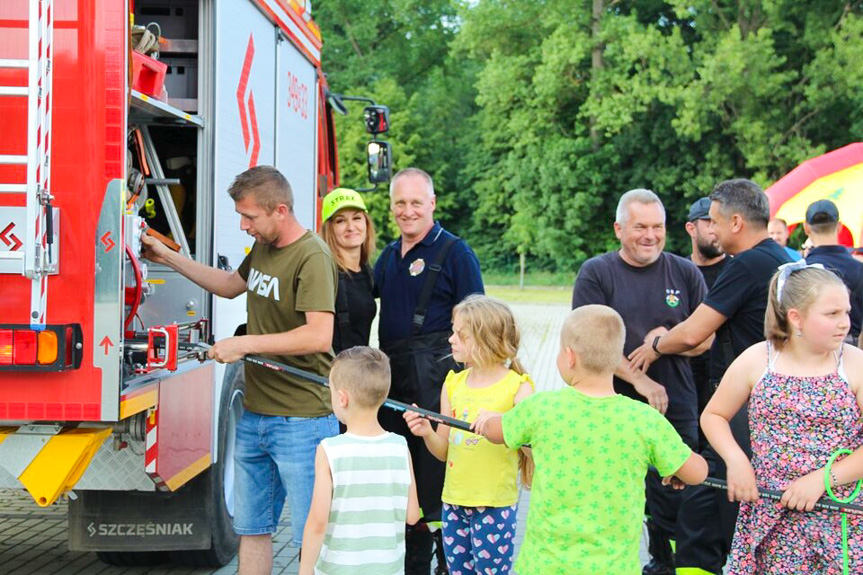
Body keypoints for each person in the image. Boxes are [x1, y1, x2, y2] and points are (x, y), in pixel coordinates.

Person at [141, 166, 339, 575]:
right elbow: (231, 284)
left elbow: (319, 336)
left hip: (303, 420)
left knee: (309, 535)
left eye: (249, 217)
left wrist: (244, 343)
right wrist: (168, 257)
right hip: (255, 415)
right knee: (252, 530)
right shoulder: (264, 248)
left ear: (280, 210)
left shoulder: (312, 256)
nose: (244, 225)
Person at [628, 179, 793, 575]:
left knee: (701, 516)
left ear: (736, 222)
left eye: (715, 221)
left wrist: (653, 347)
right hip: (771, 400)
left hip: (743, 406)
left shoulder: (748, 264)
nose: (711, 231)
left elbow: (693, 332)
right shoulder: (782, 259)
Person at [472, 305, 708, 575]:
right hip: (614, 568)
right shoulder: (644, 419)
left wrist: (489, 418)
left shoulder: (541, 408)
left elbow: (495, 432)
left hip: (545, 566)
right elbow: (697, 473)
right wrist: (676, 467)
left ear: (569, 357)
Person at [571, 188, 709, 575]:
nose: (650, 235)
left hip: (676, 410)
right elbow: (588, 341)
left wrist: (662, 344)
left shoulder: (685, 271)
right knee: (611, 500)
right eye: (640, 227)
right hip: (609, 410)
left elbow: (707, 337)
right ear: (618, 229)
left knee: (674, 500)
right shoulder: (597, 273)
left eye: (657, 227)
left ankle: (666, 566)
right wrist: (641, 382)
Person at [701, 263, 863, 572]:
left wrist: (822, 480)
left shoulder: (855, 365)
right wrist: (736, 461)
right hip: (770, 515)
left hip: (841, 520)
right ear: (796, 317)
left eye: (846, 312)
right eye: (832, 314)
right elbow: (714, 415)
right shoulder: (757, 359)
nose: (845, 323)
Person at [374, 167, 484, 573]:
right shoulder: (387, 256)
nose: (407, 211)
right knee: (402, 473)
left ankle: (448, 559)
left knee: (435, 471)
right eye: (400, 203)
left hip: (437, 376)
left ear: (432, 204)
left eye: (416, 202)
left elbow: (479, 319)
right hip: (393, 378)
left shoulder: (455, 253)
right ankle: (412, 558)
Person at [403, 295, 534, 575]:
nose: (451, 339)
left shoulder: (518, 388)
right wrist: (426, 432)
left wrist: (504, 424)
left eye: (460, 334)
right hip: (453, 502)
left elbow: (530, 447)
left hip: (494, 504)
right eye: (453, 331)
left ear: (486, 340)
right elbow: (444, 450)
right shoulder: (453, 384)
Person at [300, 347, 420, 575]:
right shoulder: (400, 446)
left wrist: (305, 570)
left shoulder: (330, 450)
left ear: (342, 398)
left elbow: (317, 521)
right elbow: (412, 515)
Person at [685, 197, 728, 448]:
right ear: (691, 228)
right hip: (683, 379)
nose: (715, 230)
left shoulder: (736, 271)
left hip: (722, 382)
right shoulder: (676, 271)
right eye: (708, 222)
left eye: (718, 222)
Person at [319, 187, 377, 353]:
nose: (351, 227)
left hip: (359, 372)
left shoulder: (367, 272)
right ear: (329, 229)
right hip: (331, 373)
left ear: (366, 223)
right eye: (340, 221)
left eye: (357, 218)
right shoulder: (325, 273)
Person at [803, 199, 863, 343]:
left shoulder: (801, 270)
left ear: (806, 228)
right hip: (851, 348)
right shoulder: (859, 268)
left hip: (812, 348)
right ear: (840, 226)